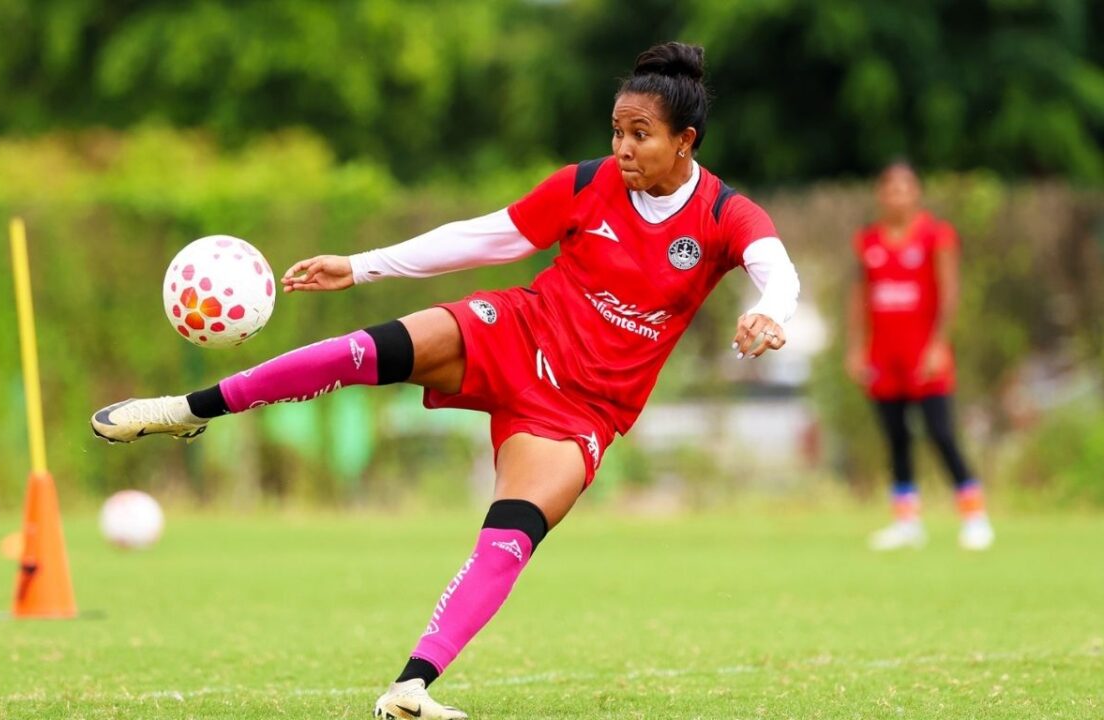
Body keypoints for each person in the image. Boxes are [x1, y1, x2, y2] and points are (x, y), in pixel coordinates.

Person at [92, 42, 800, 719]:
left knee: (509, 537)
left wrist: (770, 313)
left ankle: (410, 688)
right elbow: (481, 236)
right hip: (514, 332)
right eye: (616, 131)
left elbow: (776, 269)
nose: (621, 149)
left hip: (584, 409)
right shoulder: (585, 186)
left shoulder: (721, 215)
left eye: (639, 135)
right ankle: (189, 407)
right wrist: (361, 265)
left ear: (687, 141)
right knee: (360, 352)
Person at [846, 161, 994, 552]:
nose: (897, 196)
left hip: (924, 353)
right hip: (884, 354)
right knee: (896, 438)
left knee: (941, 433)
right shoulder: (869, 242)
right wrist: (856, 348)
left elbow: (949, 294)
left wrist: (939, 343)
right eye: (890, 188)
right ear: (881, 195)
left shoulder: (936, 236)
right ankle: (907, 522)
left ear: (917, 193)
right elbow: (859, 298)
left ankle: (974, 514)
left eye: (905, 188)